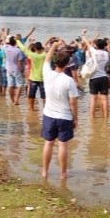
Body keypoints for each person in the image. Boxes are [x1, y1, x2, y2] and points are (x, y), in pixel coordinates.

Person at [41, 41, 79, 180]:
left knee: (48, 143)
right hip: (64, 116)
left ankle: (44, 172)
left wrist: (53, 46)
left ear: (55, 62)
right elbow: (73, 102)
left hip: (49, 114)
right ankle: (63, 174)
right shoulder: (69, 80)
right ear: (67, 64)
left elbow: (46, 59)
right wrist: (75, 118)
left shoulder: (47, 73)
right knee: (63, 145)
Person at [80, 30, 110, 118]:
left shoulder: (94, 52)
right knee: (105, 99)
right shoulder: (108, 54)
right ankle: (106, 118)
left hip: (94, 78)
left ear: (97, 46)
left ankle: (92, 117)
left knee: (93, 98)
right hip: (104, 77)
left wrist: (83, 34)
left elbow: (87, 43)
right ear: (104, 45)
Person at [17, 39, 46, 111]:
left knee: (31, 95)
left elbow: (24, 49)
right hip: (42, 78)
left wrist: (17, 41)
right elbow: (52, 52)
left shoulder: (32, 55)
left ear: (35, 48)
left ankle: (31, 108)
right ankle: (45, 108)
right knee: (44, 95)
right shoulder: (44, 55)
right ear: (41, 48)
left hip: (33, 78)